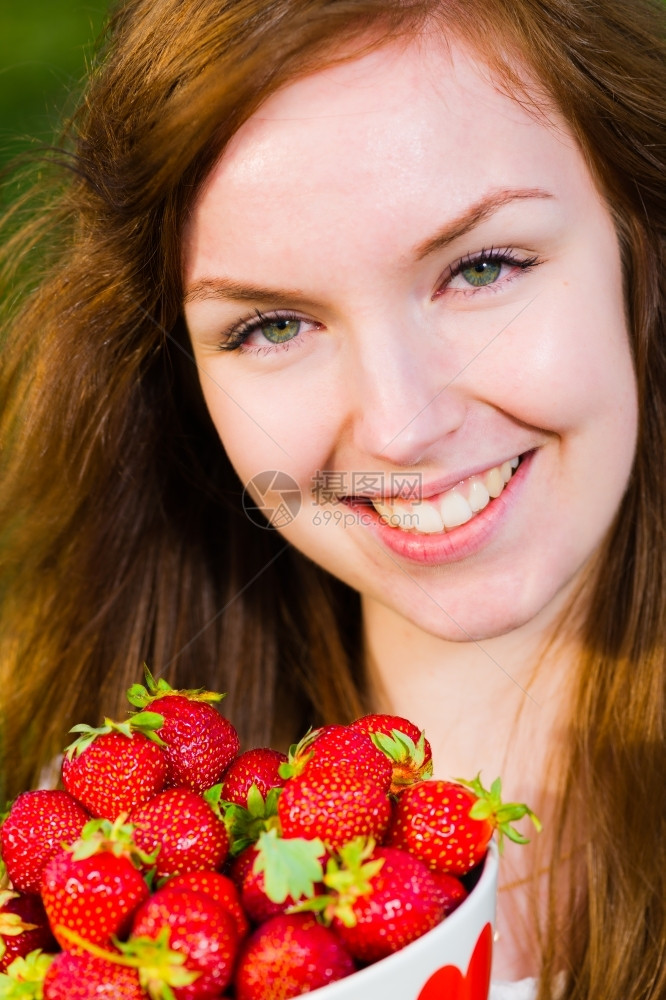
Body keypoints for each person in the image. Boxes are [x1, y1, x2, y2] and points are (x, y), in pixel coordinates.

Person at [1, 0, 665, 996]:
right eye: (272, 326)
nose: (400, 426)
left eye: (482, 268)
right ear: (184, 380)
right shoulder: (80, 894)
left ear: (639, 247)